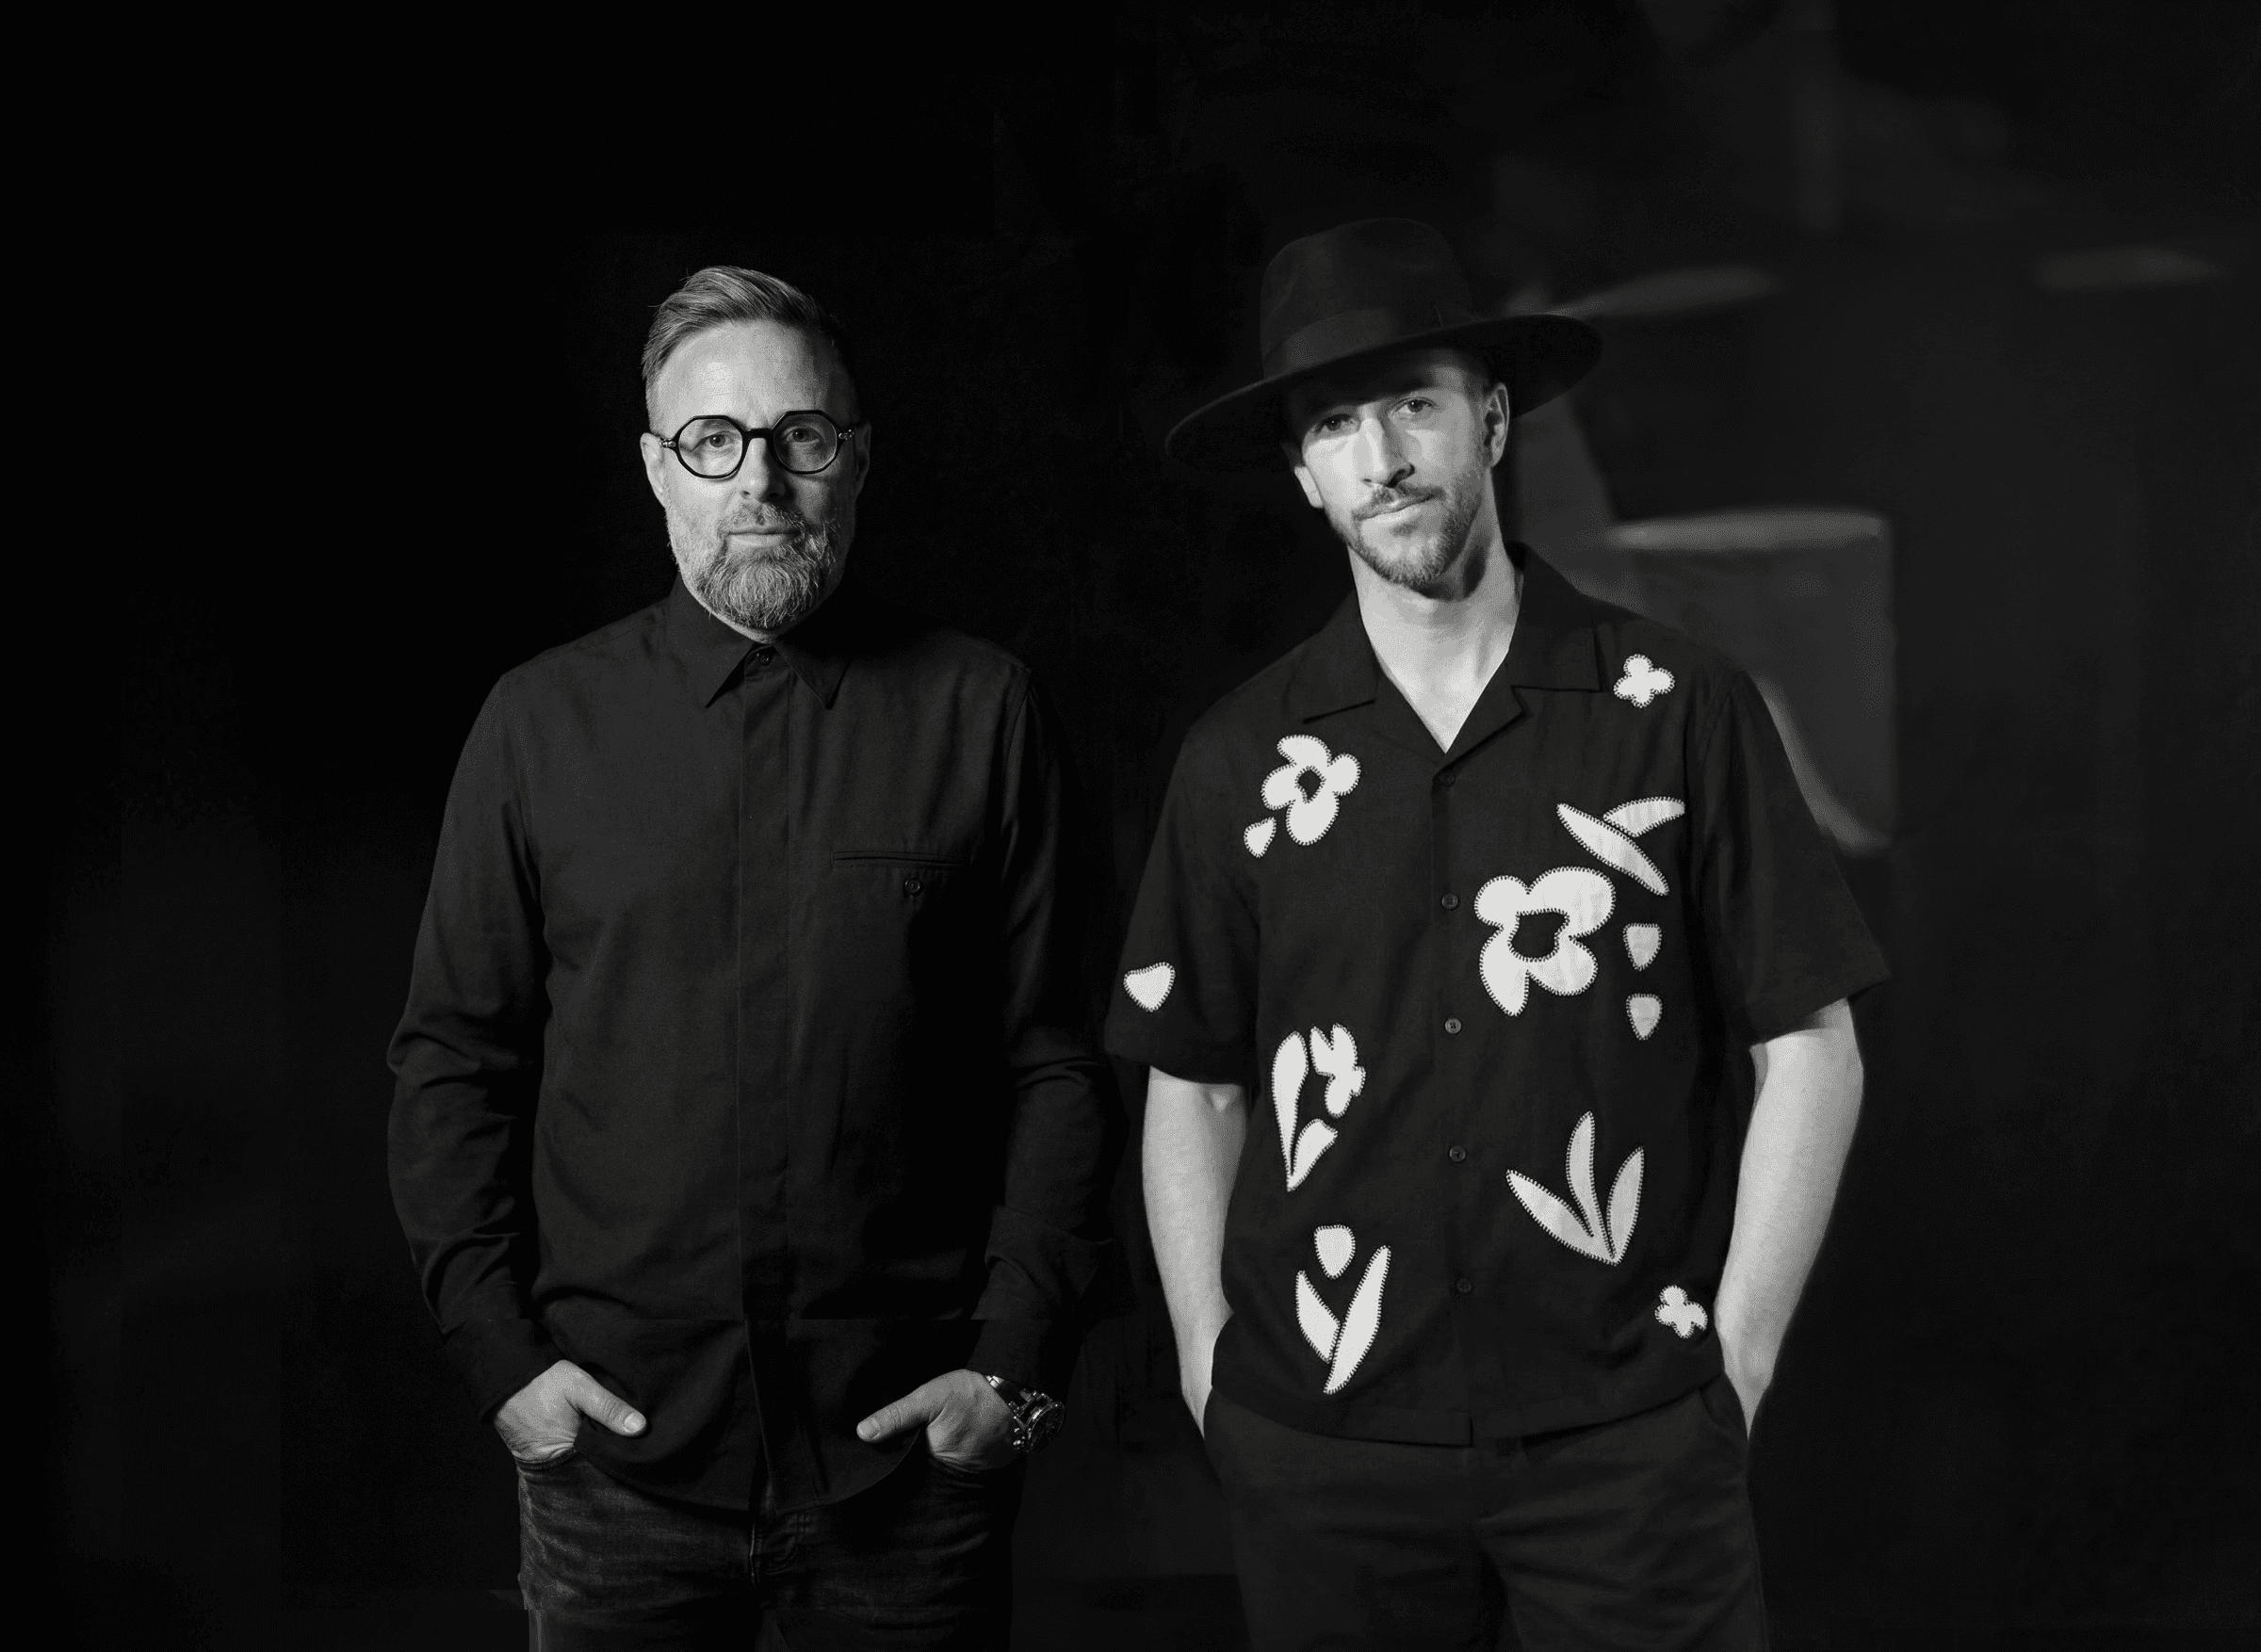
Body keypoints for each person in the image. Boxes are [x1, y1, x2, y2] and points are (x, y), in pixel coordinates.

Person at [1109, 219, 1888, 1651]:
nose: (1383, 454)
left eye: (1415, 402)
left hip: (1628, 1443)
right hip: (1325, 1451)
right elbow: (1193, 1082)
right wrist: (1212, 1371)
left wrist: (1737, 1360)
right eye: (1334, 424)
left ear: (1494, 418)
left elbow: (1811, 1039)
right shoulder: (1239, 759)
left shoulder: (1677, 706)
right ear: (1303, 474)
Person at [388, 266, 1113, 1649]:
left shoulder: (985, 712)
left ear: (858, 459)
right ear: (657, 469)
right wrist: (504, 1363)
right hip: (616, 1467)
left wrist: (1013, 1367)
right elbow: (452, 1067)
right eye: (713, 441)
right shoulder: (537, 727)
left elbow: (1057, 1064)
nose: (761, 482)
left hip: (910, 1467)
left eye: (802, 437)